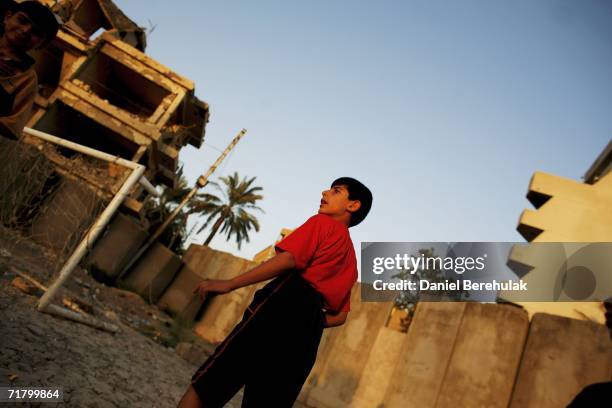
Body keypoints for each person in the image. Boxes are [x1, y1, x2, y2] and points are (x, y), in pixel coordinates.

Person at [178, 177, 373, 407]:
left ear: (353, 205)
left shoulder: (322, 223)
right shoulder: (351, 261)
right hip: (306, 337)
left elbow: (289, 259)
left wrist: (229, 283)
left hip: (281, 305)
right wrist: (307, 321)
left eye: (336, 191)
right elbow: (340, 317)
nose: (325, 192)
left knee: (211, 383)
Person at [0, 0, 59, 140]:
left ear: (41, 44)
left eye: (36, 32)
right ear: (8, 17)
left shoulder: (27, 79)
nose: (26, 30)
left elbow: (12, 127)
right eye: (22, 20)